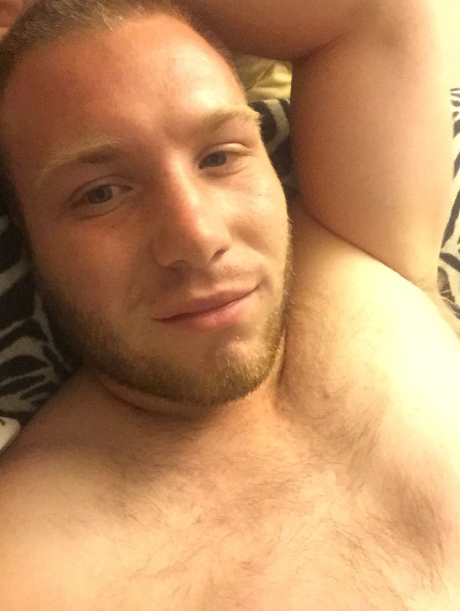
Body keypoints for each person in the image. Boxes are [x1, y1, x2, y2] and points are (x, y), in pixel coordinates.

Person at [0, 0, 459, 607]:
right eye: (101, 193)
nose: (198, 237)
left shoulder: (362, 242)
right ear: (26, 239)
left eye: (219, 156)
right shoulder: (30, 569)